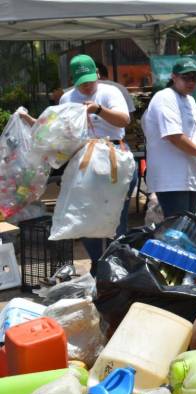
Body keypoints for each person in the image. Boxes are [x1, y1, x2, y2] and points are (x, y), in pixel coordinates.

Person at [41, 55, 134, 275]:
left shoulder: (110, 92)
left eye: (90, 80)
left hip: (113, 157)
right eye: (82, 81)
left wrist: (98, 110)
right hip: (84, 161)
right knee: (85, 216)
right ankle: (97, 264)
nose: (86, 85)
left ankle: (116, 266)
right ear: (74, 79)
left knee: (115, 217)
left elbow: (124, 120)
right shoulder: (67, 98)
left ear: (98, 75)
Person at [142, 57, 196, 218]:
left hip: (191, 176)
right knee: (177, 230)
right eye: (186, 78)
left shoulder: (190, 99)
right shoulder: (165, 97)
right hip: (172, 178)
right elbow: (174, 136)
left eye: (194, 78)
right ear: (174, 77)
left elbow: (191, 132)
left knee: (188, 227)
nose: (191, 82)